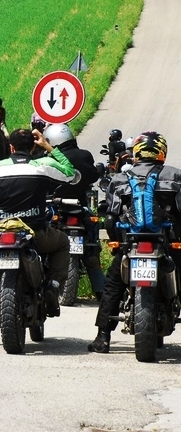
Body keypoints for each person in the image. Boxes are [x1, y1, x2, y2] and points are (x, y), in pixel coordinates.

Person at [0, 128, 79, 345]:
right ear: (33, 146)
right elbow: (71, 173)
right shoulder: (44, 166)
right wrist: (49, 147)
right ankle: (52, 285)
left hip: (0, 233)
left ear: (10, 147)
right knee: (62, 242)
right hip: (36, 234)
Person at [87, 131, 181, 353]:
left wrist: (116, 243)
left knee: (113, 285)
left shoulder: (120, 178)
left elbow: (110, 217)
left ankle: (103, 337)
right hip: (166, 243)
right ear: (161, 152)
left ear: (136, 152)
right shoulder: (176, 176)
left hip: (132, 244)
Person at [43, 123, 105, 299]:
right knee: (93, 247)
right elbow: (94, 176)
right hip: (81, 207)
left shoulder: (50, 159)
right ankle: (101, 291)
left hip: (57, 208)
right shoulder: (84, 155)